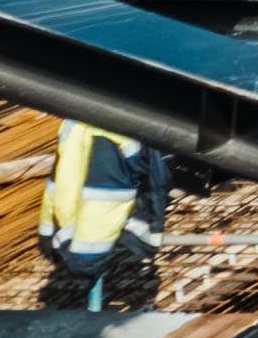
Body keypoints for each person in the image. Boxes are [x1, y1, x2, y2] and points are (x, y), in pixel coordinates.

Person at [35, 121, 165, 311]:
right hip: (103, 250)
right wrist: (52, 237)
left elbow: (98, 200)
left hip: (99, 250)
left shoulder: (87, 126)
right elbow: (66, 185)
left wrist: (50, 239)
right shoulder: (99, 127)